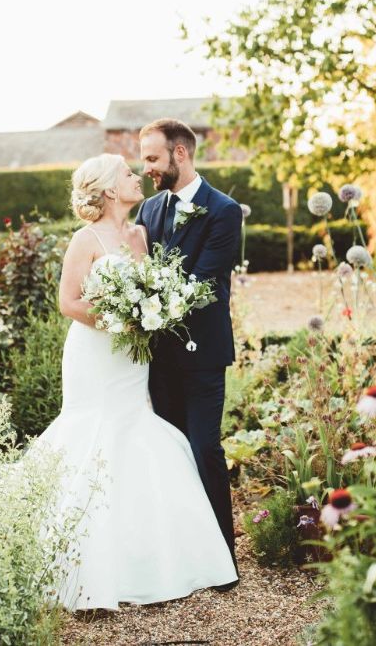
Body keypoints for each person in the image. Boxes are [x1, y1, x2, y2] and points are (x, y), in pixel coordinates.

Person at [32, 153, 237, 611]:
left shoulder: (142, 233)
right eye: (127, 173)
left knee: (136, 431)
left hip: (133, 358)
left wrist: (148, 317)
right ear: (108, 190)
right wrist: (120, 321)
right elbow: (68, 303)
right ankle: (80, 558)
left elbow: (155, 290)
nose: (137, 176)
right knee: (94, 431)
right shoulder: (85, 239)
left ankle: (148, 556)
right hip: (96, 353)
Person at [135, 119, 242, 588]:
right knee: (170, 453)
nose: (147, 169)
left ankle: (223, 557)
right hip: (158, 357)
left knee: (203, 448)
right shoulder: (149, 209)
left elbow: (202, 280)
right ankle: (181, 555)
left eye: (153, 159)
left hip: (203, 352)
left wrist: (146, 298)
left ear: (180, 154)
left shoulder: (223, 210)